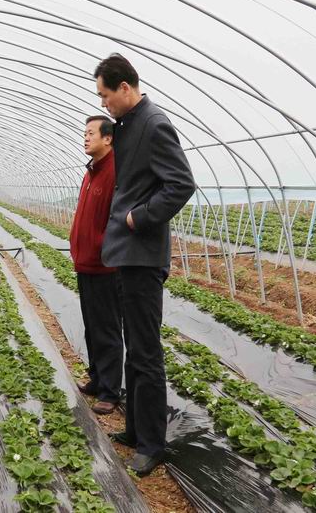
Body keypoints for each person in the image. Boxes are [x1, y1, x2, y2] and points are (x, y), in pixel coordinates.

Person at [95, 54, 195, 475]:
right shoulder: (127, 125)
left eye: (105, 95)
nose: (103, 104)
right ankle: (135, 429)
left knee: (146, 352)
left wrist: (141, 216)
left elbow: (181, 184)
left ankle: (153, 443)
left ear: (125, 87)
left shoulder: (154, 123)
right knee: (133, 347)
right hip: (125, 254)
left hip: (142, 255)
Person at [70, 115, 123, 416]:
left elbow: (118, 219)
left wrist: (102, 247)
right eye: (85, 133)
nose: (86, 137)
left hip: (105, 266)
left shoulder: (115, 171)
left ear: (108, 138)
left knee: (107, 328)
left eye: (91, 133)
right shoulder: (91, 171)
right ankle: (97, 378)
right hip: (86, 263)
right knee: (92, 326)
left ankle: (110, 391)